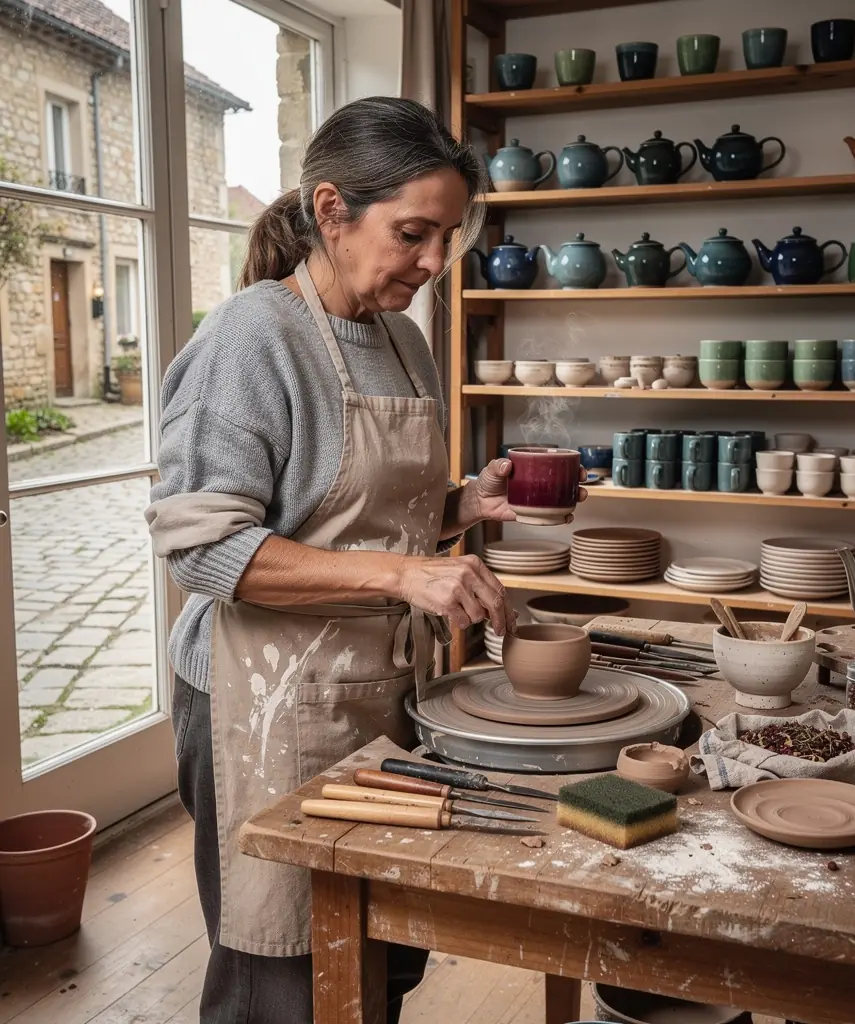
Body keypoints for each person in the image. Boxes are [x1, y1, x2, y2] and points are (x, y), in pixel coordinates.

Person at [145, 96, 585, 1024]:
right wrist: (405, 576)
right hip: (260, 705)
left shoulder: (404, 339)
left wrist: (462, 506)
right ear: (332, 210)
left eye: (448, 238)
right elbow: (203, 546)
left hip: (381, 691)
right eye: (413, 234)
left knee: (375, 961)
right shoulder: (253, 335)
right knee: (285, 976)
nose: (432, 264)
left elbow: (363, 517)